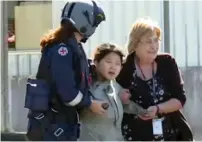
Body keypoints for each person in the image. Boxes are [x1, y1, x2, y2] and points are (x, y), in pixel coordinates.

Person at [24, 0, 106, 141]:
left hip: (60, 124)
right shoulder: (63, 50)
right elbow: (68, 93)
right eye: (94, 22)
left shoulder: (72, 47)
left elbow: (82, 74)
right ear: (83, 20)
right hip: (52, 127)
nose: (95, 27)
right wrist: (90, 103)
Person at [116, 18, 193, 141]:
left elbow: (180, 99)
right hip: (135, 135)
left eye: (156, 40)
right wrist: (118, 96)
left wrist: (158, 108)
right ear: (135, 44)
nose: (154, 46)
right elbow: (109, 93)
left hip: (171, 134)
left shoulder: (167, 62)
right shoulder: (123, 67)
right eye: (148, 41)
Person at [79, 43, 148, 141]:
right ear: (96, 62)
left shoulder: (115, 86)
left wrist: (142, 111)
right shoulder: (86, 87)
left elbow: (124, 105)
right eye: (108, 62)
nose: (113, 67)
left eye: (117, 64)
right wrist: (90, 104)